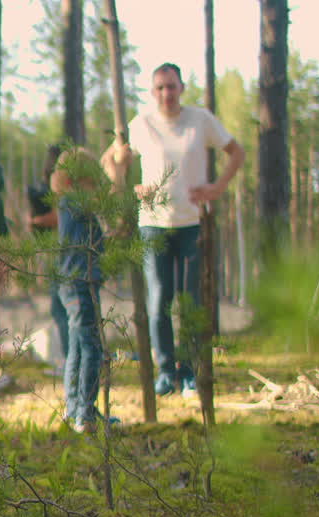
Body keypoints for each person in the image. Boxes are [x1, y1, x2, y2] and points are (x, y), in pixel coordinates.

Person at [103, 62, 246, 399]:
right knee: (159, 301)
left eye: (171, 86)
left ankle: (191, 373)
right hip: (153, 225)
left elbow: (236, 152)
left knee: (190, 301)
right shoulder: (141, 124)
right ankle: (165, 373)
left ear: (181, 88)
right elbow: (111, 161)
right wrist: (127, 184)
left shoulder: (200, 120)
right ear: (152, 92)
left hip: (192, 223)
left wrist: (217, 187)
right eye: (160, 88)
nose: (166, 93)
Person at [51, 147, 110, 433]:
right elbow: (106, 201)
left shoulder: (66, 204)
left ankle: (74, 408)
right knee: (90, 346)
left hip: (70, 282)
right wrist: (116, 166)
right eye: (92, 180)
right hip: (80, 282)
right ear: (75, 181)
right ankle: (84, 413)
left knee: (76, 345)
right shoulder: (75, 204)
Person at [28, 144, 67, 373]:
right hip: (59, 252)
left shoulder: (66, 185)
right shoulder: (51, 184)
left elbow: (60, 216)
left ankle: (69, 361)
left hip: (66, 254)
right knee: (59, 308)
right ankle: (67, 360)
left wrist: (38, 221)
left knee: (63, 309)